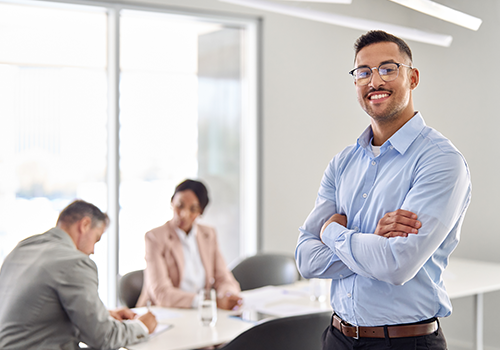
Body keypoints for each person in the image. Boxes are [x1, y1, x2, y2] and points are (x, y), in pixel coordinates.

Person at [295, 30, 471, 350]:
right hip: (337, 337)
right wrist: (371, 244)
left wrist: (334, 233)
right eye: (364, 72)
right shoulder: (342, 163)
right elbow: (306, 259)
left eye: (388, 69)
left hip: (406, 342)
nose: (375, 81)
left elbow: (396, 265)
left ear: (413, 77)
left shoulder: (440, 161)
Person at [0, 199, 157, 350]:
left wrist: (103, 314)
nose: (93, 251)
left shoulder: (22, 249)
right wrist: (141, 326)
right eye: (96, 239)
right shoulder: (74, 262)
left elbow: (37, 313)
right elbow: (103, 337)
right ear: (85, 225)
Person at [137, 179, 242, 310]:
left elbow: (224, 277)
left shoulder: (208, 234)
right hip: (164, 312)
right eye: (179, 206)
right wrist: (207, 302)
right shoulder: (155, 237)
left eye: (193, 209)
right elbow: (161, 293)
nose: (183, 214)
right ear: (172, 202)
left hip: (200, 313)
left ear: (201, 212)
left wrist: (228, 295)